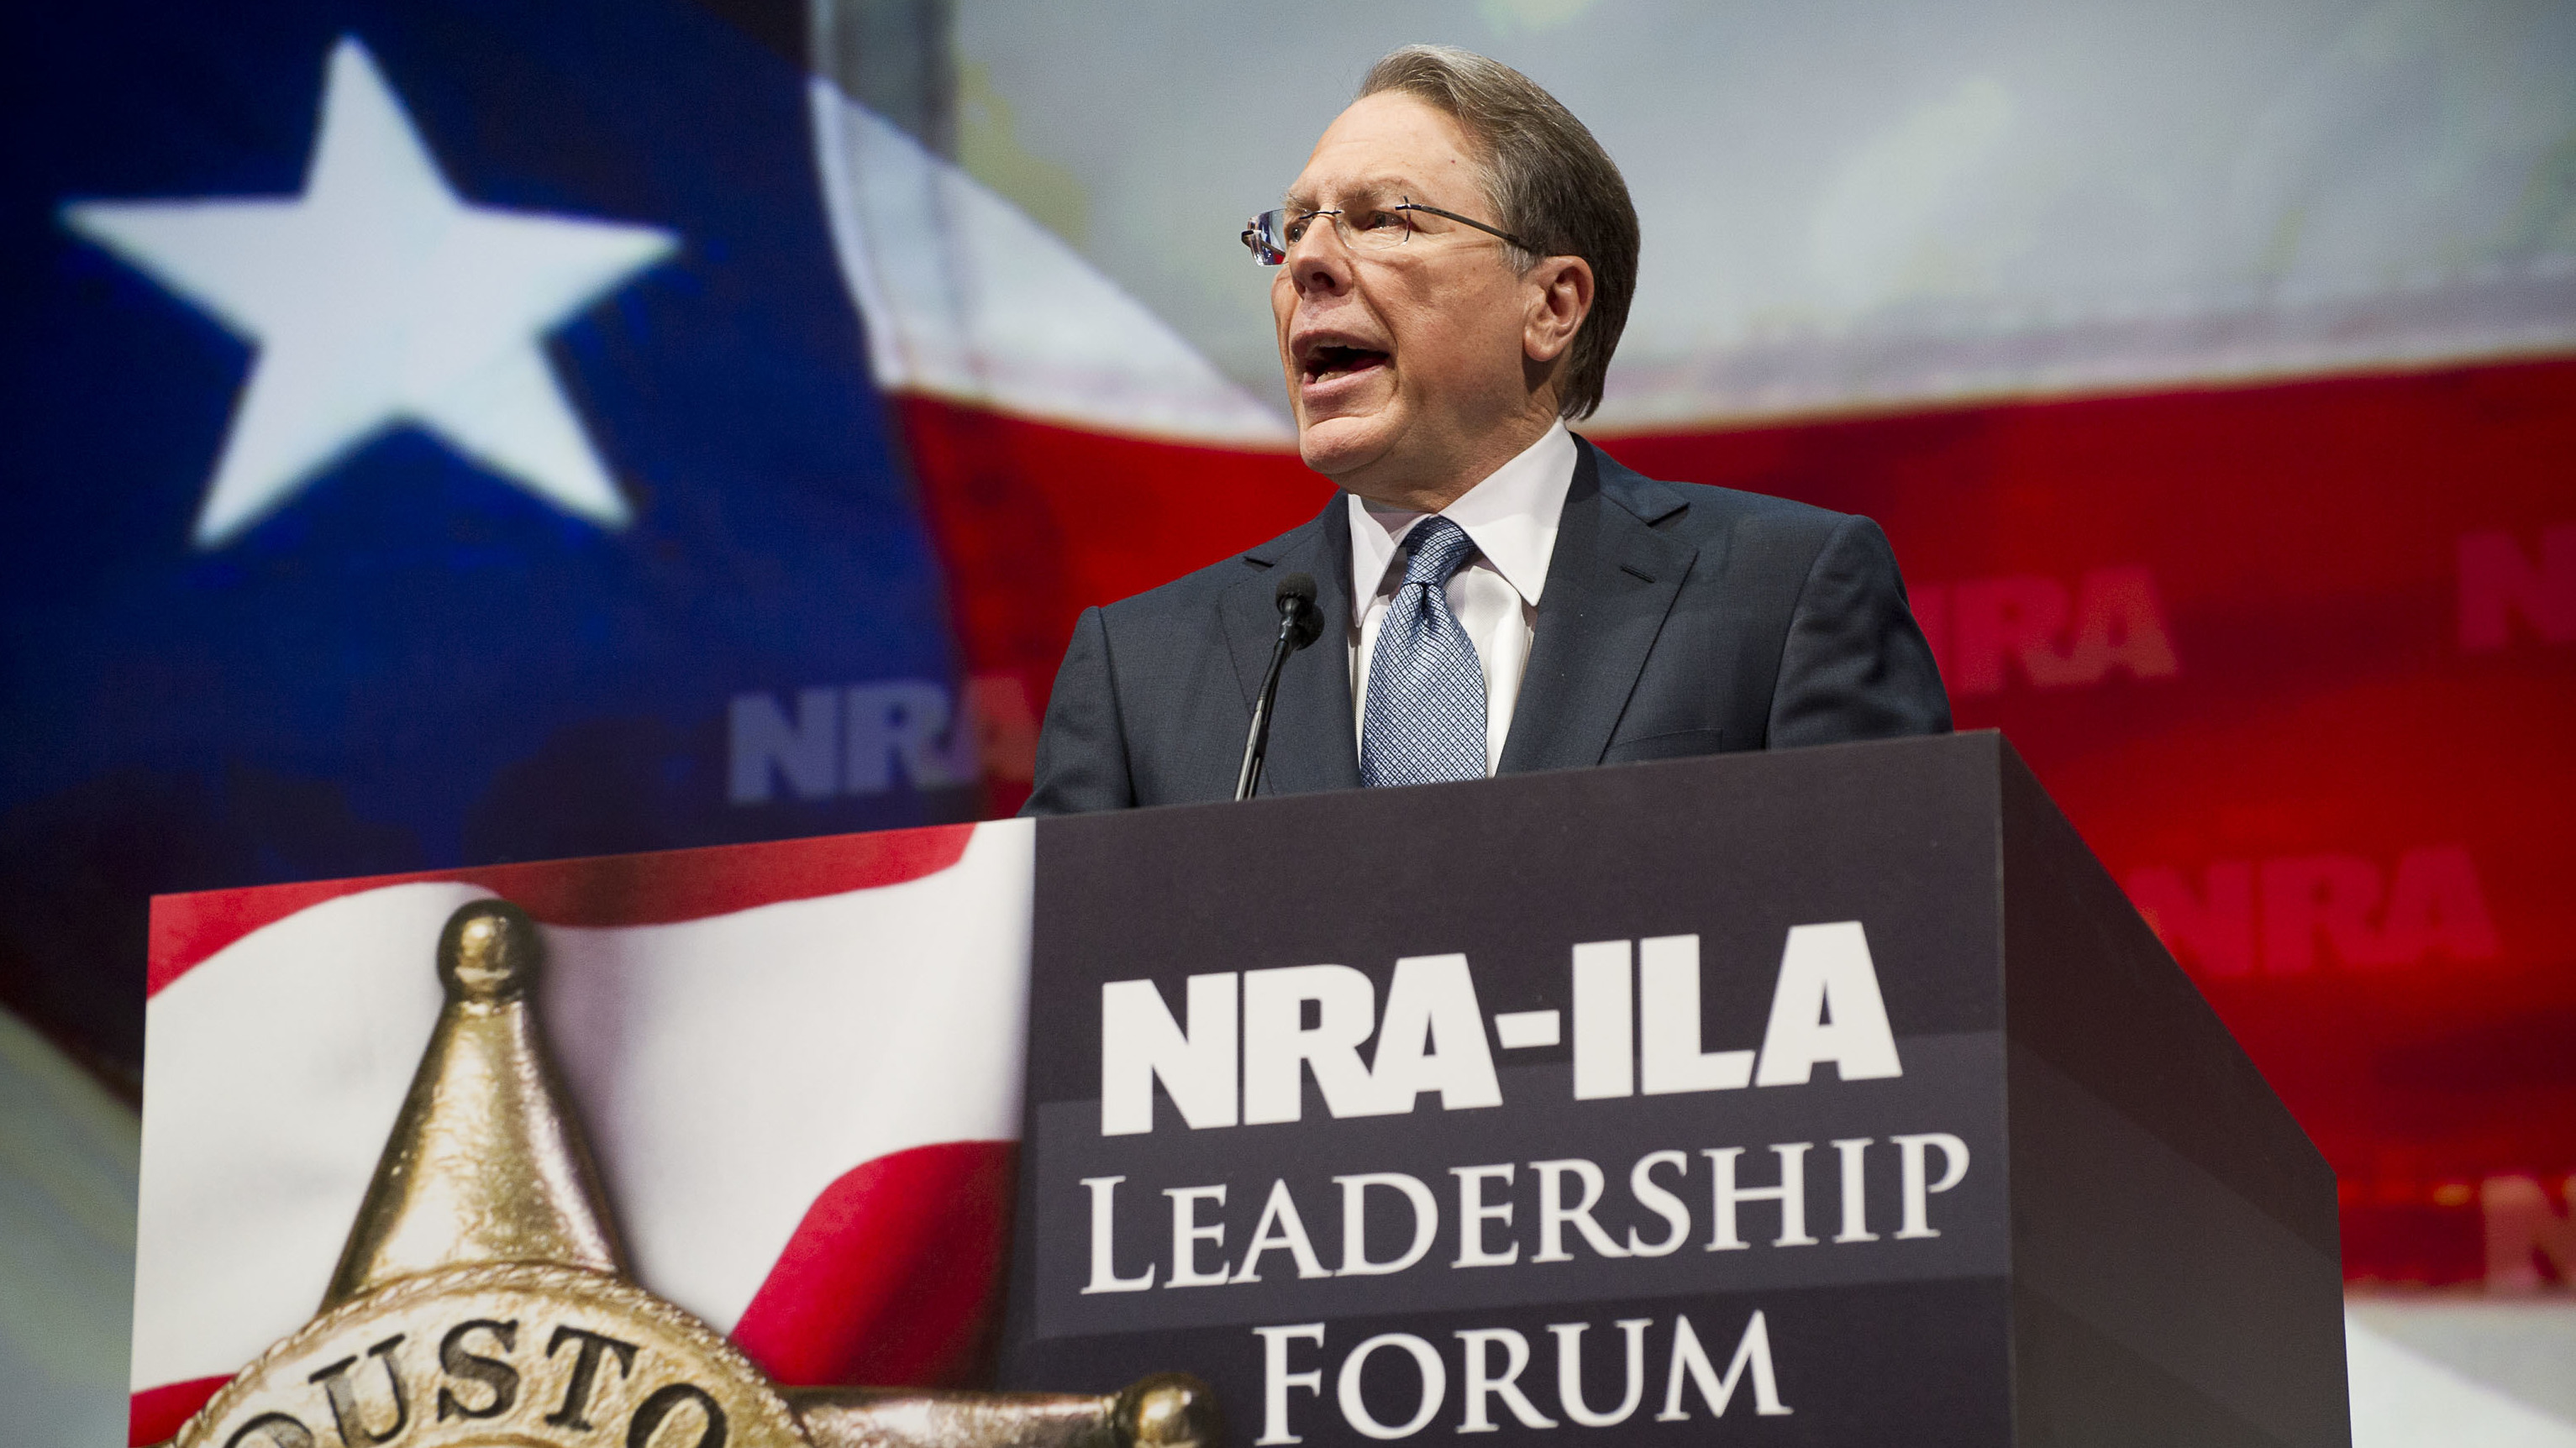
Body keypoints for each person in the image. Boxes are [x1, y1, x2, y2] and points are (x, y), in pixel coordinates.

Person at [1023, 45, 1947, 816]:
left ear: (1551, 304)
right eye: (1294, 228)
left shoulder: (1784, 596)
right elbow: (1052, 1005)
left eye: (1385, 220)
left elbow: (1904, 957)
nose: (1307, 260)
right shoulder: (1137, 672)